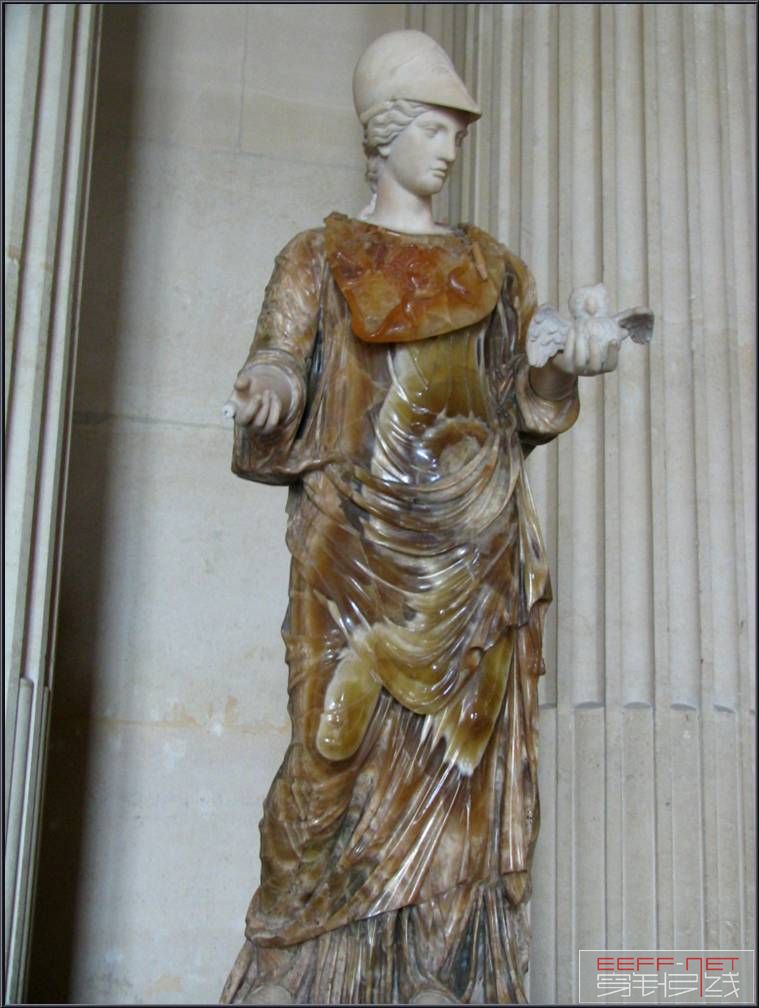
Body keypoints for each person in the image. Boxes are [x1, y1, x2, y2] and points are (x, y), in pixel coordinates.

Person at [221, 30, 618, 1006]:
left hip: (471, 555)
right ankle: (294, 963)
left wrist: (566, 363)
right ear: (383, 131)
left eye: (455, 133)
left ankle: (439, 972)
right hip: (352, 550)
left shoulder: (496, 269)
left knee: (461, 767)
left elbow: (525, 402)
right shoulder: (317, 256)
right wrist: (272, 385)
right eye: (433, 129)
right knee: (328, 755)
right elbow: (279, 356)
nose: (448, 149)